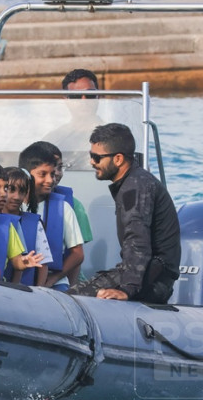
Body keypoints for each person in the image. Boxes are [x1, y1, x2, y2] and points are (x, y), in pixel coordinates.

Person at [68, 123, 181, 303]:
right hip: (147, 275)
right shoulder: (134, 182)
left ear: (118, 159)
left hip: (152, 281)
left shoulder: (135, 188)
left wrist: (127, 289)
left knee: (71, 298)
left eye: (97, 157)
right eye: (91, 156)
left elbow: (137, 239)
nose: (92, 162)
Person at [18, 142, 84, 290]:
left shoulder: (64, 208)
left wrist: (54, 279)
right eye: (43, 174)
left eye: (52, 174)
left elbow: (78, 254)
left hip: (54, 282)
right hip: (19, 278)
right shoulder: (11, 205)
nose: (50, 180)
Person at [0, 168, 42, 280]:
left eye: (5, 188)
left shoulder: (6, 225)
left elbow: (17, 261)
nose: (3, 194)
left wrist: (23, 263)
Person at [2, 167, 52, 286]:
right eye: (11, 190)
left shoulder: (34, 224)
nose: (17, 197)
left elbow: (43, 262)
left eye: (22, 191)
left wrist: (39, 290)